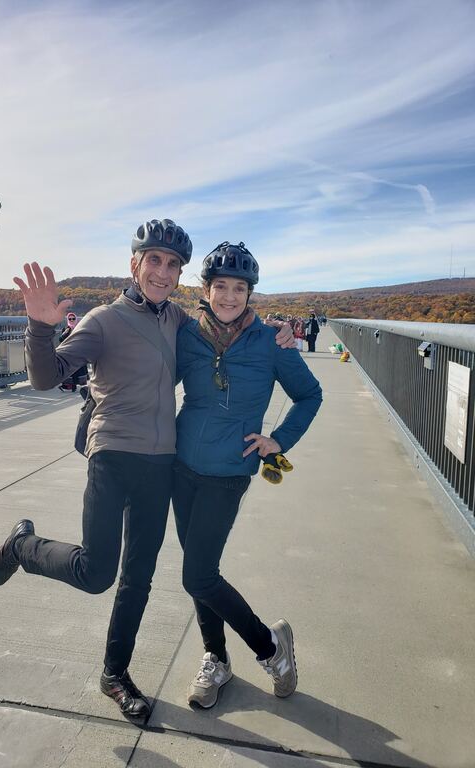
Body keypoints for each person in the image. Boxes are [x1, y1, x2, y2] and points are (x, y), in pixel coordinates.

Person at [0, 220, 295, 722]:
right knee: (97, 574)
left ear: (180, 275)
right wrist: (40, 325)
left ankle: (115, 675)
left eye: (173, 264)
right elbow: (45, 377)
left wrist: (279, 334)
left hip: (162, 465)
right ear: (135, 264)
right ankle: (23, 545)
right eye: (154, 259)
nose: (163, 271)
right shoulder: (104, 320)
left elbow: (232, 328)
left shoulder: (179, 320)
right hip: (112, 456)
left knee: (138, 578)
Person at [172, 241, 322, 709]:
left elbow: (310, 395)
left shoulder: (270, 343)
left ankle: (269, 648)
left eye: (239, 288)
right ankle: (216, 658)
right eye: (221, 286)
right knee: (202, 570)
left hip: (229, 470)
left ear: (250, 293)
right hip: (180, 466)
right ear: (207, 289)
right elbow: (151, 374)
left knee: (197, 575)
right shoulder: (186, 334)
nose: (230, 296)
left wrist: (279, 440)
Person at [58, 312, 88, 392]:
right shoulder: (65, 329)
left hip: (78, 352)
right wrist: (66, 333)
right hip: (68, 352)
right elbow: (61, 340)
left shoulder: (79, 328)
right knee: (69, 369)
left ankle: (75, 385)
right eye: (70, 319)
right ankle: (70, 386)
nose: (71, 320)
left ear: (76, 319)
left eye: (73, 318)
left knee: (78, 369)